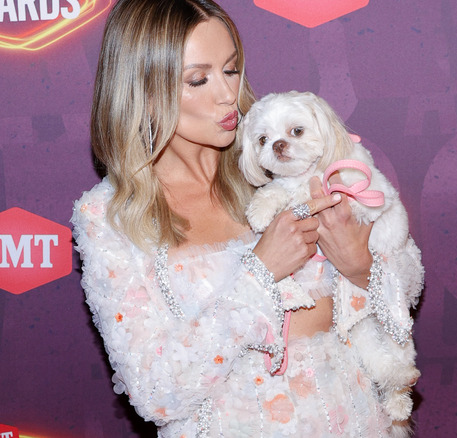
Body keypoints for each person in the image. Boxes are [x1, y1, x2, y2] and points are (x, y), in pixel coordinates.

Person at [71, 0, 424, 436]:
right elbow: (155, 391)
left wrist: (360, 266)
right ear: (143, 89)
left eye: (231, 70)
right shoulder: (108, 217)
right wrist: (260, 273)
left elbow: (405, 286)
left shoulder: (281, 155)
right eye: (198, 79)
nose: (227, 96)